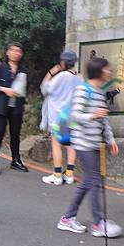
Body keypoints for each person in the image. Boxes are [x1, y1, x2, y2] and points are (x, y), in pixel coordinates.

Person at [57, 57, 122, 238]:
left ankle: (67, 218)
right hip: (84, 143)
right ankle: (98, 223)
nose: (110, 71)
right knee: (95, 181)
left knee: (88, 181)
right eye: (107, 69)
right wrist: (93, 115)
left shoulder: (100, 92)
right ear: (99, 71)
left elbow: (104, 119)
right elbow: (76, 115)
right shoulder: (82, 90)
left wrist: (111, 140)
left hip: (95, 143)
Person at [40, 50, 83, 185]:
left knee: (56, 143)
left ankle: (57, 175)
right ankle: (69, 174)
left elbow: (45, 89)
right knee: (71, 144)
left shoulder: (61, 76)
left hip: (59, 116)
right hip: (73, 116)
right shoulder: (80, 77)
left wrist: (51, 72)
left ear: (63, 63)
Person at [0, 42, 29, 175]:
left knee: (15, 134)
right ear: (7, 52)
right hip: (1, 106)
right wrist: (4, 89)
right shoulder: (1, 67)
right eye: (13, 50)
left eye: (19, 51)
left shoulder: (23, 70)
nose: (16, 53)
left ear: (21, 54)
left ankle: (16, 160)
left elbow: (25, 88)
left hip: (16, 107)